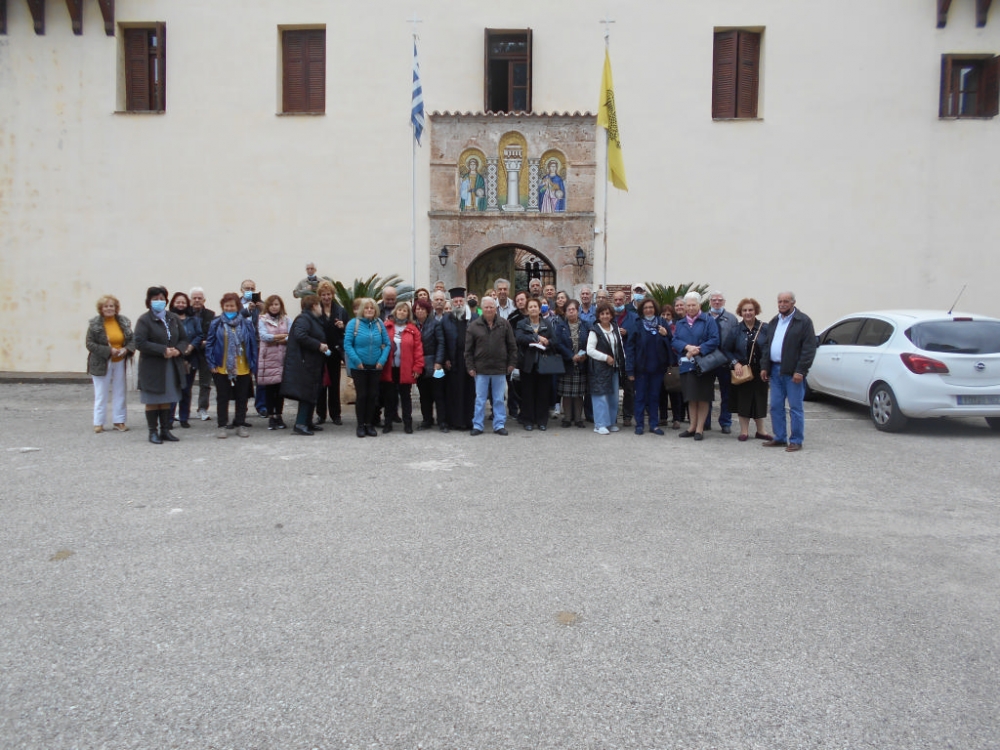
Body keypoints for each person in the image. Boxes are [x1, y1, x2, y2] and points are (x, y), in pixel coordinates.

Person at [760, 291, 816, 452]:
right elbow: (767, 346)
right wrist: (765, 366)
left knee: (795, 407)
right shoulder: (774, 321)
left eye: (786, 301)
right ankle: (779, 437)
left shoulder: (803, 321)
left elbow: (809, 349)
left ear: (793, 303)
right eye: (779, 301)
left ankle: (796, 440)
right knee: (776, 406)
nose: (782, 304)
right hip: (775, 370)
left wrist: (801, 370)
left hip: (793, 372)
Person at [134, 286, 189, 444]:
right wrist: (162, 350)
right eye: (155, 299)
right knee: (152, 400)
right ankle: (153, 432)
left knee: (167, 398)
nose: (159, 302)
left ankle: (165, 430)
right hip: (152, 366)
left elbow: (184, 339)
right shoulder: (144, 320)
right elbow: (139, 342)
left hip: (171, 364)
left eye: (161, 299)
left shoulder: (173, 318)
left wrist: (178, 350)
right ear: (149, 301)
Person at [206, 292, 259, 439]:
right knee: (222, 397)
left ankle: (240, 424)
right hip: (221, 367)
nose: (229, 308)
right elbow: (209, 344)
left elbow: (253, 345)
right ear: (223, 306)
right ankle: (222, 425)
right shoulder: (216, 323)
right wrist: (211, 363)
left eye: (232, 305)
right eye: (226, 305)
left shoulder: (246, 323)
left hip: (242, 366)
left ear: (238, 307)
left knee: (242, 397)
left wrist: (253, 365)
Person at [671, 292, 720, 442]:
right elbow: (675, 341)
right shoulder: (680, 323)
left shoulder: (708, 320)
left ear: (699, 305)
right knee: (691, 397)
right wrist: (686, 347)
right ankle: (692, 426)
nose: (691, 308)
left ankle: (700, 428)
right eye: (689, 305)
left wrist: (698, 349)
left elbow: (715, 339)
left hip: (704, 364)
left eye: (694, 305)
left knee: (703, 397)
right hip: (687, 364)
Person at [466, 296, 518, 436]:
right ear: (482, 309)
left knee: (499, 399)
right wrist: (470, 367)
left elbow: (512, 346)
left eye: (491, 307)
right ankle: (477, 425)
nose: (489, 310)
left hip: (499, 368)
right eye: (486, 307)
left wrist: (512, 363)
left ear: (495, 309)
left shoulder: (504, 324)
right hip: (480, 369)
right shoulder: (474, 326)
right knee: (480, 399)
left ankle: (499, 424)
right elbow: (468, 350)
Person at [280, 294, 329, 436]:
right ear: (314, 305)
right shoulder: (304, 319)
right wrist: (318, 345)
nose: (321, 308)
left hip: (312, 362)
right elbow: (300, 336)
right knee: (306, 393)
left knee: (312, 391)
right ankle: (300, 424)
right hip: (305, 362)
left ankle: (307, 421)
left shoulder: (313, 319)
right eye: (319, 305)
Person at [86, 294, 135, 433]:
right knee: (101, 393)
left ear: (116, 308)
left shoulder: (124, 322)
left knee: (120, 392)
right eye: (106, 306)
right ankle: (98, 422)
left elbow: (132, 340)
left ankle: (119, 421)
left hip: (120, 361)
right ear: (101, 309)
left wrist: (126, 350)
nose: (109, 308)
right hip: (101, 362)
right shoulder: (94, 324)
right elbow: (89, 344)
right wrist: (108, 350)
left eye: (111, 306)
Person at [343, 297, 389, 438]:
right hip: (359, 367)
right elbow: (348, 344)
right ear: (362, 309)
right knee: (362, 396)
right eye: (367, 308)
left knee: (372, 396)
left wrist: (382, 360)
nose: (369, 310)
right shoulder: (353, 324)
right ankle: (361, 425)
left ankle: (369, 424)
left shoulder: (379, 324)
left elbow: (387, 344)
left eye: (372, 308)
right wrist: (357, 361)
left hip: (375, 366)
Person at [627, 298, 672, 435]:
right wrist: (629, 369)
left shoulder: (662, 323)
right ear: (642, 310)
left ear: (655, 309)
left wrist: (666, 335)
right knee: (640, 397)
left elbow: (671, 342)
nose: (648, 310)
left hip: (658, 368)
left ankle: (654, 425)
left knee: (654, 397)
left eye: (651, 307)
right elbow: (630, 348)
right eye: (645, 308)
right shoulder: (637, 324)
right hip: (641, 368)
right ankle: (639, 424)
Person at [730, 297, 772, 442]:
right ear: (740, 312)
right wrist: (735, 363)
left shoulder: (765, 328)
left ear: (756, 311)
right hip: (742, 370)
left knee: (760, 399)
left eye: (750, 310)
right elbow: (726, 350)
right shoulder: (736, 330)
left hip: (761, 369)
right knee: (743, 399)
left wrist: (766, 367)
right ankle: (744, 431)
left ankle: (761, 431)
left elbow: (769, 349)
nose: (748, 313)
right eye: (744, 310)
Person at [514, 298, 558, 431]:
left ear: (540, 309)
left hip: (544, 363)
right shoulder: (522, 324)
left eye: (535, 306)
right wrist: (537, 338)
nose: (533, 309)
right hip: (527, 363)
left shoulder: (547, 324)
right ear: (527, 310)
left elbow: (554, 341)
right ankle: (528, 420)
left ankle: (542, 420)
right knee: (527, 393)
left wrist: (547, 342)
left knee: (543, 393)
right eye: (530, 307)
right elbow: (519, 338)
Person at [381, 302, 424, 434]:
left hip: (405, 368)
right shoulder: (386, 326)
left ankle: (408, 423)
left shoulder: (413, 329)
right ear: (395, 312)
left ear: (408, 314)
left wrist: (418, 367)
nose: (401, 312)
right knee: (389, 397)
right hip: (389, 368)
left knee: (406, 397)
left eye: (404, 311)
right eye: (399, 310)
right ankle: (387, 423)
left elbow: (418, 350)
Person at [587, 301, 627, 435]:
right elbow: (590, 350)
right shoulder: (595, 330)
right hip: (599, 369)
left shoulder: (615, 328)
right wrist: (606, 357)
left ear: (611, 315)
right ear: (598, 315)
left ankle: (610, 422)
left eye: (607, 313)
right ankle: (599, 424)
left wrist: (622, 362)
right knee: (600, 396)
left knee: (613, 396)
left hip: (614, 368)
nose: (605, 316)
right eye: (602, 313)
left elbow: (620, 348)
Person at [702, 290, 740, 434]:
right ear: (710, 302)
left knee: (727, 394)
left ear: (724, 302)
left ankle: (725, 422)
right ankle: (705, 421)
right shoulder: (703, 317)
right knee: (706, 393)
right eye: (714, 300)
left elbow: (736, 340)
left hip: (725, 362)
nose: (717, 302)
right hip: (708, 361)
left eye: (720, 300)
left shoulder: (731, 319)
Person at [314, 280, 348, 426]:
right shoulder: (316, 310)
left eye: (328, 294)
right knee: (320, 385)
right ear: (319, 296)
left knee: (334, 384)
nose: (326, 297)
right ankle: (321, 414)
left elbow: (348, 331)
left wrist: (343, 326)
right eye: (323, 295)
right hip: (320, 352)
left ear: (333, 295)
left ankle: (336, 414)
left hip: (334, 352)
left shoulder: (341, 311)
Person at [442, 287, 477, 430]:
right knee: (454, 391)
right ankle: (455, 421)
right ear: (451, 303)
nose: (458, 304)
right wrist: (445, 358)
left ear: (465, 302)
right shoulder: (446, 319)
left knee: (469, 391)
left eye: (460, 301)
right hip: (453, 360)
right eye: (455, 301)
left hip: (469, 360)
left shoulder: (474, 318)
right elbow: (442, 340)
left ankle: (469, 421)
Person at [553, 299, 591, 428]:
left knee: (579, 393)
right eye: (568, 310)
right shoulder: (561, 326)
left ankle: (578, 418)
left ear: (578, 310)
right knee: (567, 394)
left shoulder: (586, 325)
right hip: (567, 363)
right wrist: (570, 356)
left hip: (581, 362)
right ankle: (567, 418)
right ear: (565, 312)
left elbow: (590, 342)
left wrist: (584, 354)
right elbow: (557, 343)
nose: (571, 312)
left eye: (573, 309)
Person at [167, 292, 201, 429]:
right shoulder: (168, 319)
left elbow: (199, 335)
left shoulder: (193, 320)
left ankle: (184, 418)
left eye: (183, 302)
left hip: (189, 358)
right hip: (173, 358)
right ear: (173, 303)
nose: (180, 305)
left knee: (186, 390)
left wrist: (191, 346)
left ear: (187, 304)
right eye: (178, 302)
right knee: (173, 389)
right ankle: (169, 419)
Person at [258, 294, 291, 430]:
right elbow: (264, 336)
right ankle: (271, 416)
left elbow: (291, 335)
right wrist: (281, 337)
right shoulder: (262, 319)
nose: (274, 307)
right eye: (272, 304)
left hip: (282, 359)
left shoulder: (287, 319)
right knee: (270, 389)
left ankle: (279, 415)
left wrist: (277, 339)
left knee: (280, 390)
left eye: (277, 304)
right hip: (269, 359)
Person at [413, 298, 446, 430]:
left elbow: (441, 344)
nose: (420, 311)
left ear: (427, 311)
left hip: (436, 365)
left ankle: (442, 421)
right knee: (424, 395)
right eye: (417, 309)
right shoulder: (413, 326)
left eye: (422, 309)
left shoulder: (435, 324)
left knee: (439, 394)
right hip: (420, 365)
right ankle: (427, 419)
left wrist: (438, 362)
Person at [238, 278, 267, 417]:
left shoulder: (260, 304)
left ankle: (261, 406)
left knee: (260, 376)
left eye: (252, 289)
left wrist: (262, 308)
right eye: (247, 289)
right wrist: (245, 310)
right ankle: (242, 407)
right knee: (242, 377)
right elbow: (233, 319)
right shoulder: (235, 304)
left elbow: (269, 318)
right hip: (240, 344)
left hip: (257, 343)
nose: (249, 291)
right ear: (241, 290)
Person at [189, 287, 215, 421]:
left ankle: (202, 408)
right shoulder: (184, 314)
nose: (197, 300)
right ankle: (183, 410)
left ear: (204, 300)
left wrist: (206, 342)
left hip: (205, 352)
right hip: (189, 352)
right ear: (190, 300)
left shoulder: (210, 315)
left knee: (205, 383)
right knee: (186, 383)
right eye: (194, 298)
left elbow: (212, 332)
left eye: (200, 298)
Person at [612, 289, 638, 426]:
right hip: (613, 358)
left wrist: (628, 333)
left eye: (620, 299)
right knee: (613, 388)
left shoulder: (633, 317)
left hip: (628, 358)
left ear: (626, 300)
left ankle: (627, 416)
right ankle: (613, 416)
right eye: (615, 300)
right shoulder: (608, 316)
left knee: (629, 389)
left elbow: (638, 334)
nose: (618, 302)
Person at [658, 304, 685, 430]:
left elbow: (676, 343)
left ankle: (677, 418)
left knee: (675, 392)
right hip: (660, 364)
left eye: (668, 314)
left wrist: (667, 335)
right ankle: (663, 417)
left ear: (672, 316)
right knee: (661, 392)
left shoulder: (676, 327)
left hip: (673, 363)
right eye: (663, 314)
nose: (665, 317)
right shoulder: (657, 326)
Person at [505, 290, 529, 420]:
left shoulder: (534, 314)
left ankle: (527, 411)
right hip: (516, 355)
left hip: (530, 355)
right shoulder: (512, 317)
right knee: (514, 385)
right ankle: (514, 410)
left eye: (522, 299)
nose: (520, 302)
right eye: (518, 300)